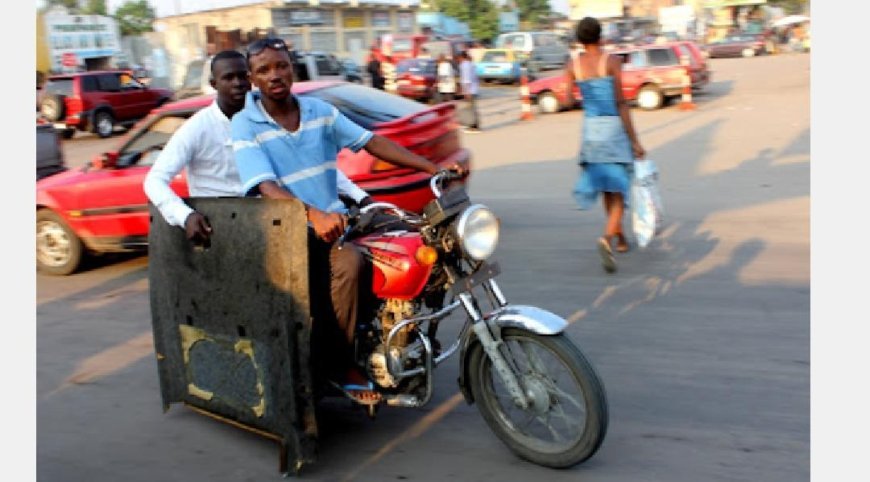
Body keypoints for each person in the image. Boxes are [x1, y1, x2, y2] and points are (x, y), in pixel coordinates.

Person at [230, 38, 460, 403]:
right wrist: (314, 214)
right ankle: (339, 364)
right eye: (264, 70)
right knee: (349, 262)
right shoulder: (245, 125)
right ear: (253, 79)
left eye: (281, 66)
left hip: (335, 222)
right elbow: (265, 186)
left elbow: (372, 142)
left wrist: (434, 169)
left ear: (293, 68)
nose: (275, 75)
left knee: (419, 238)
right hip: (286, 233)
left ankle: (406, 335)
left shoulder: (319, 111)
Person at [144, 49, 373, 247]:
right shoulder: (198, 128)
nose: (238, 84)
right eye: (228, 78)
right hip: (221, 226)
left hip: (273, 222)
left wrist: (361, 197)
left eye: (242, 76)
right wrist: (185, 216)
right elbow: (154, 181)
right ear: (214, 85)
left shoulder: (268, 116)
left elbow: (314, 165)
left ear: (251, 77)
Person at [563, 17, 646, 273]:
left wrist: (586, 97)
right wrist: (635, 141)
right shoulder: (611, 61)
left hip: (591, 130)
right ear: (601, 36)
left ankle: (620, 239)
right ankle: (607, 238)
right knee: (619, 188)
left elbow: (566, 99)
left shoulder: (572, 65)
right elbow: (621, 103)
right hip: (612, 129)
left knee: (606, 187)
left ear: (579, 39)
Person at [457, 51, 481, 133]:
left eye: (458, 58)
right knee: (472, 108)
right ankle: (474, 125)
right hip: (474, 89)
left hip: (470, 90)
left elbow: (467, 79)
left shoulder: (465, 65)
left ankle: (473, 126)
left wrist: (467, 92)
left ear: (461, 57)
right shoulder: (471, 64)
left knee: (471, 109)